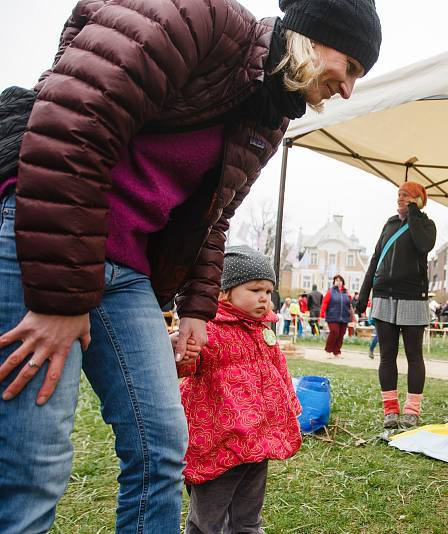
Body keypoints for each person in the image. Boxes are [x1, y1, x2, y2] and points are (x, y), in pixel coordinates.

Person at [0, 0, 381, 531]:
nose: (347, 89)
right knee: (34, 463)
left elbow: (212, 216)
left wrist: (197, 308)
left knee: (162, 448)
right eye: (352, 67)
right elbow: (72, 127)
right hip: (42, 235)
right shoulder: (201, 22)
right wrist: (60, 298)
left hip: (127, 268)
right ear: (316, 38)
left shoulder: (269, 115)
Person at [177, 246, 301, 533]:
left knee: (248, 516)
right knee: (208, 520)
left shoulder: (264, 331)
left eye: (269, 292)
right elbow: (184, 370)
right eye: (255, 289)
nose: (264, 298)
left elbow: (280, 374)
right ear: (224, 292)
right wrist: (185, 355)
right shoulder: (207, 328)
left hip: (258, 443)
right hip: (217, 445)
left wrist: (290, 410)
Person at [355, 181, 436, 429]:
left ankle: (412, 410)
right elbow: (375, 259)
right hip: (384, 295)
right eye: (399, 195)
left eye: (407, 196)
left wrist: (414, 214)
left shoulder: (426, 225)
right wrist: (363, 295)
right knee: (387, 356)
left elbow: (424, 245)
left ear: (419, 200)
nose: (401, 198)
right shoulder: (389, 224)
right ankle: (390, 410)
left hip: (413, 296)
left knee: (414, 356)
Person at [320, 274, 352, 358]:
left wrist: (351, 317)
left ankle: (337, 352)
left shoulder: (347, 293)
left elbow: (350, 305)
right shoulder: (330, 291)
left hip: (344, 317)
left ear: (343, 282)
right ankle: (328, 350)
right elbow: (324, 303)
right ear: (334, 282)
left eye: (340, 280)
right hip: (332, 316)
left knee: (341, 335)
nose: (338, 282)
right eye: (336, 280)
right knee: (334, 332)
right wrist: (322, 314)